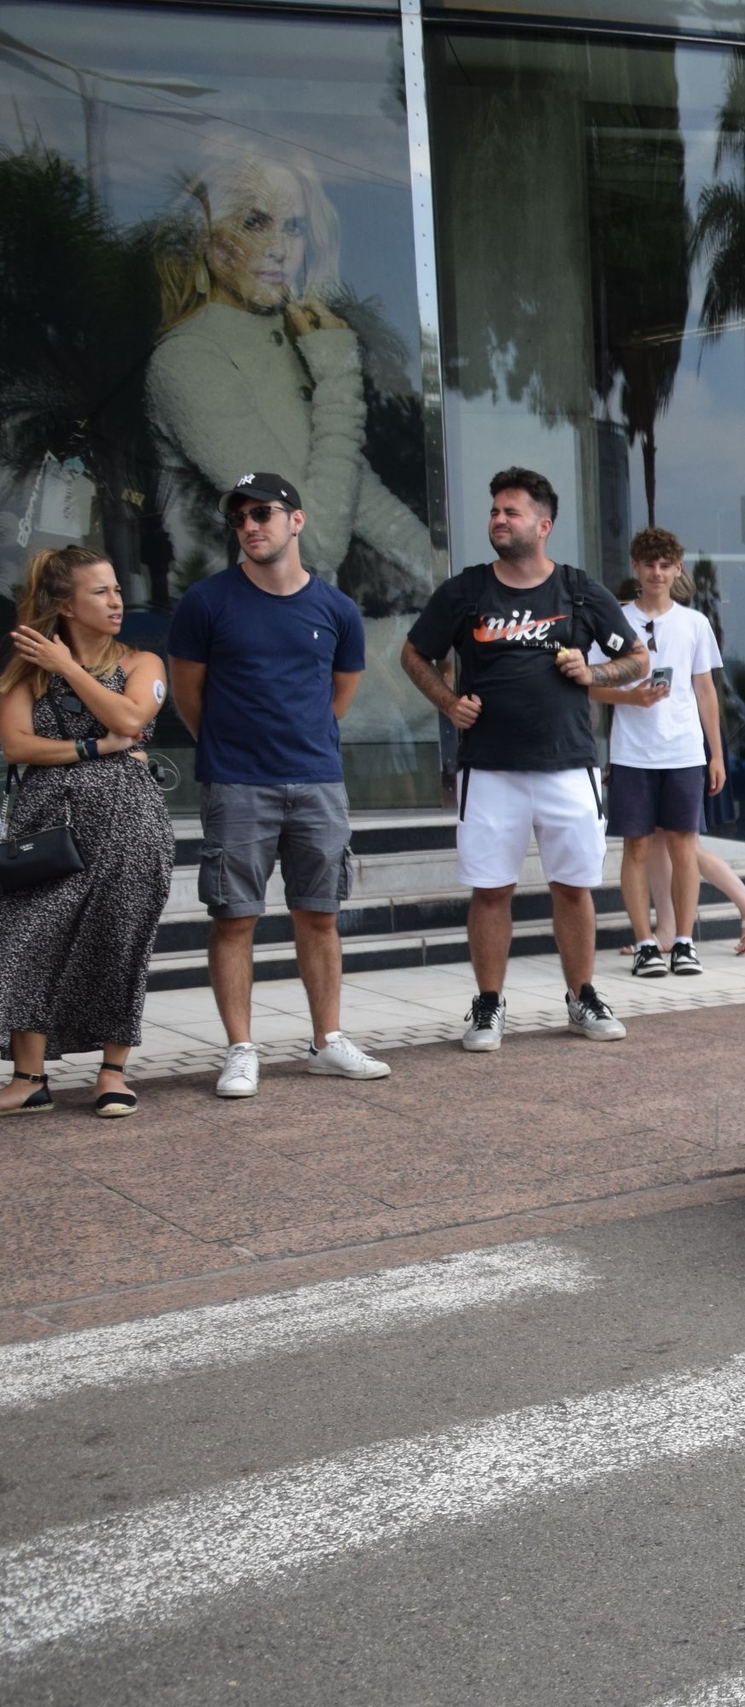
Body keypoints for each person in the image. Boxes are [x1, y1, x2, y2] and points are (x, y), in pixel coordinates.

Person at [400, 468, 650, 1051]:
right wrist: (447, 701)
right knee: (490, 889)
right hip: (489, 768)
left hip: (568, 766)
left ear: (544, 524)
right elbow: (415, 653)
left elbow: (636, 657)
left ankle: (582, 997)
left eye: (511, 511)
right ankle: (489, 1006)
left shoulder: (579, 590)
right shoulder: (466, 592)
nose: (498, 519)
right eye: (494, 511)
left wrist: (593, 673)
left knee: (573, 887)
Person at [166, 472, 390, 1097]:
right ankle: (240, 1049)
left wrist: (301, 744)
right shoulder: (206, 602)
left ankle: (327, 1041)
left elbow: (337, 699)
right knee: (234, 918)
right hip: (236, 783)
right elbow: (190, 700)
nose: (249, 525)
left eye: (262, 512)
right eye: (239, 518)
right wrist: (233, 747)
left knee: (319, 916)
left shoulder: (338, 610)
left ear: (296, 520)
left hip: (317, 781)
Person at [146, 141, 434, 615]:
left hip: (304, 623)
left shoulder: (294, 336)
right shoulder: (188, 359)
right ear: (209, 237)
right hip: (238, 636)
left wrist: (453, 578)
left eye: (295, 227)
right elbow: (313, 541)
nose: (280, 248)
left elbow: (357, 494)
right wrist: (338, 376)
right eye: (255, 222)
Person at [0, 548, 173, 1119]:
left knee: (119, 941)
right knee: (26, 939)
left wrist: (70, 670)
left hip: (129, 823)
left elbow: (130, 719)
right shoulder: (26, 668)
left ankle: (112, 1072)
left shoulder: (143, 661)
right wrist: (90, 748)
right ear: (63, 605)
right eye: (100, 592)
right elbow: (17, 744)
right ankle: (29, 1079)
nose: (116, 600)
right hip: (45, 826)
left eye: (117, 589)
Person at [589, 528, 722, 978]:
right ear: (636, 569)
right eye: (649, 565)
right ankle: (645, 941)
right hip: (632, 753)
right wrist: (631, 699)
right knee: (638, 848)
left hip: (684, 752)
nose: (657, 573)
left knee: (685, 846)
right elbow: (591, 685)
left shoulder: (694, 623)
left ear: (677, 569)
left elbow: (705, 691)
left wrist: (716, 754)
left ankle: (684, 941)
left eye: (665, 565)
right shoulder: (616, 620)